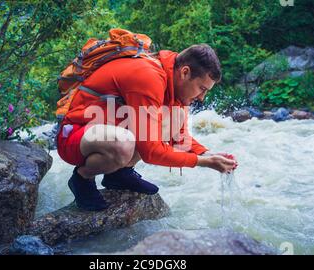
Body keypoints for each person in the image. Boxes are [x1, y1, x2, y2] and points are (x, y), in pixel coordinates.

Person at [56, 44, 238, 211]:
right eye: (202, 88)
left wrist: (207, 154)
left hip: (106, 131)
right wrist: (204, 163)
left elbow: (179, 136)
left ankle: (119, 174)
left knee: (176, 116)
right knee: (123, 143)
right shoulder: (148, 76)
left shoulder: (173, 84)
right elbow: (151, 152)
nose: (201, 97)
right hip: (75, 135)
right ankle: (82, 178)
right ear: (185, 72)